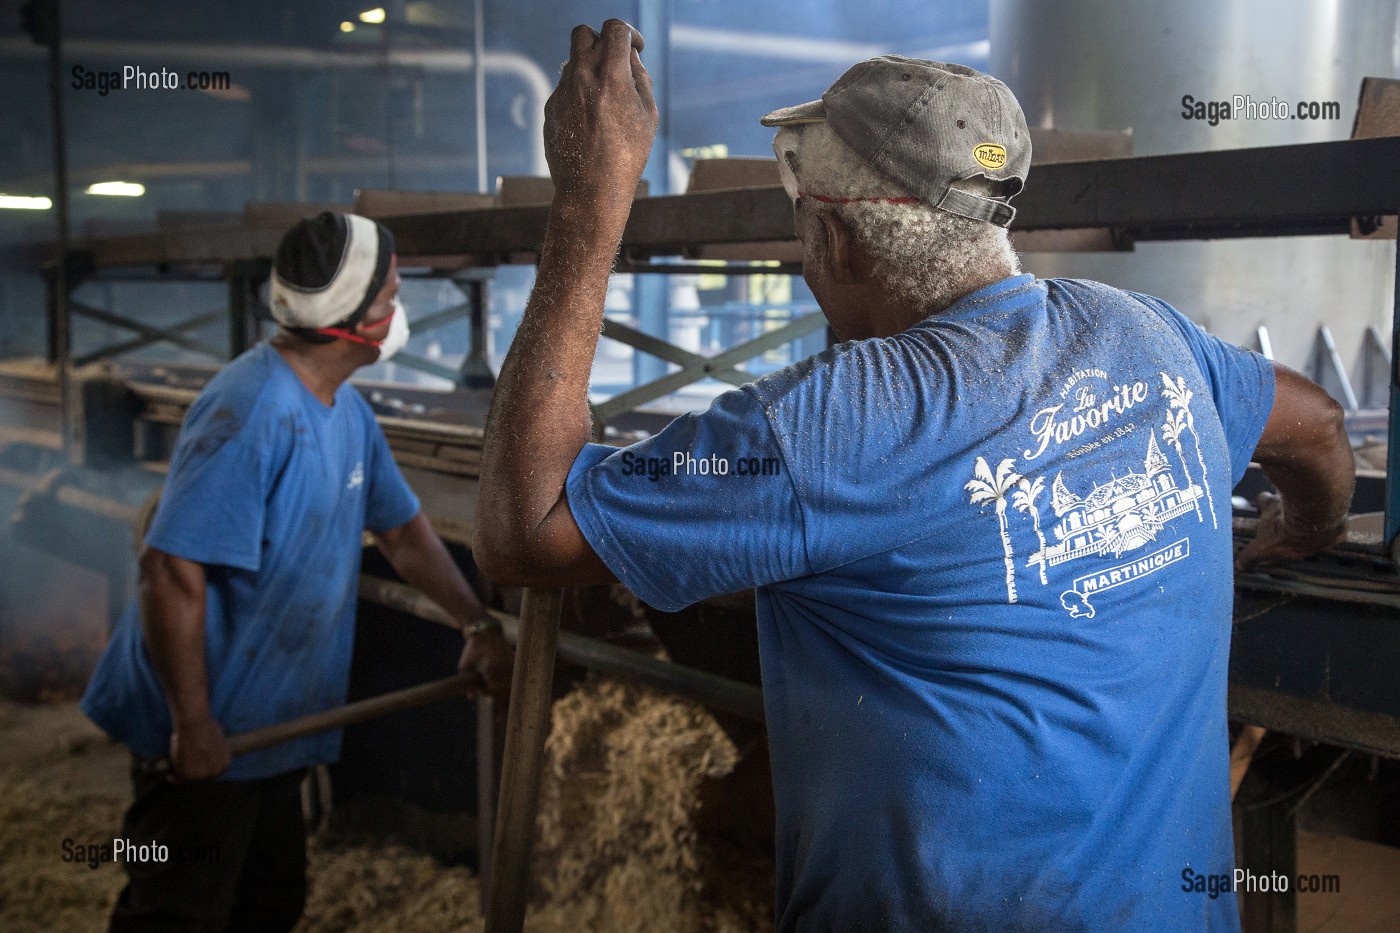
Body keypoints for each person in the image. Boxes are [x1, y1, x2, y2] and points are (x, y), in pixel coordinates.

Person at [473, 23, 1354, 932]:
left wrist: (588, 203)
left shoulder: (827, 430)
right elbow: (1320, 430)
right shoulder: (1151, 337)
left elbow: (525, 526)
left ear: (840, 241)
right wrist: (1307, 529)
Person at [82, 211, 511, 933]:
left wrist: (476, 623)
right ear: (350, 316)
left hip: (275, 724)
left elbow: (403, 530)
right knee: (175, 912)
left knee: (269, 905)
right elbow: (169, 570)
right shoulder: (251, 408)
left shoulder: (345, 409)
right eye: (391, 294)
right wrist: (193, 724)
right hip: (208, 733)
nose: (399, 310)